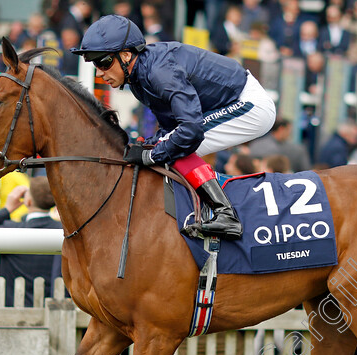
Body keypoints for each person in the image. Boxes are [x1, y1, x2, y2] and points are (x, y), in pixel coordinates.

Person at [71, 15, 276, 240]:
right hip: (227, 103)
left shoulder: (159, 72)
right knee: (166, 145)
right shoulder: (138, 77)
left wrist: (151, 155)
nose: (99, 72)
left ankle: (226, 214)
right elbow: (171, 127)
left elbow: (190, 130)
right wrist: (148, 146)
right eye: (95, 65)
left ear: (127, 55)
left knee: (176, 146)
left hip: (249, 104)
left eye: (104, 62)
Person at [0, 177, 64, 307]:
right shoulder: (64, 231)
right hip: (52, 311)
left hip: (12, 313)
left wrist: (7, 209)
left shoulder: (10, 230)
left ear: (27, 201)